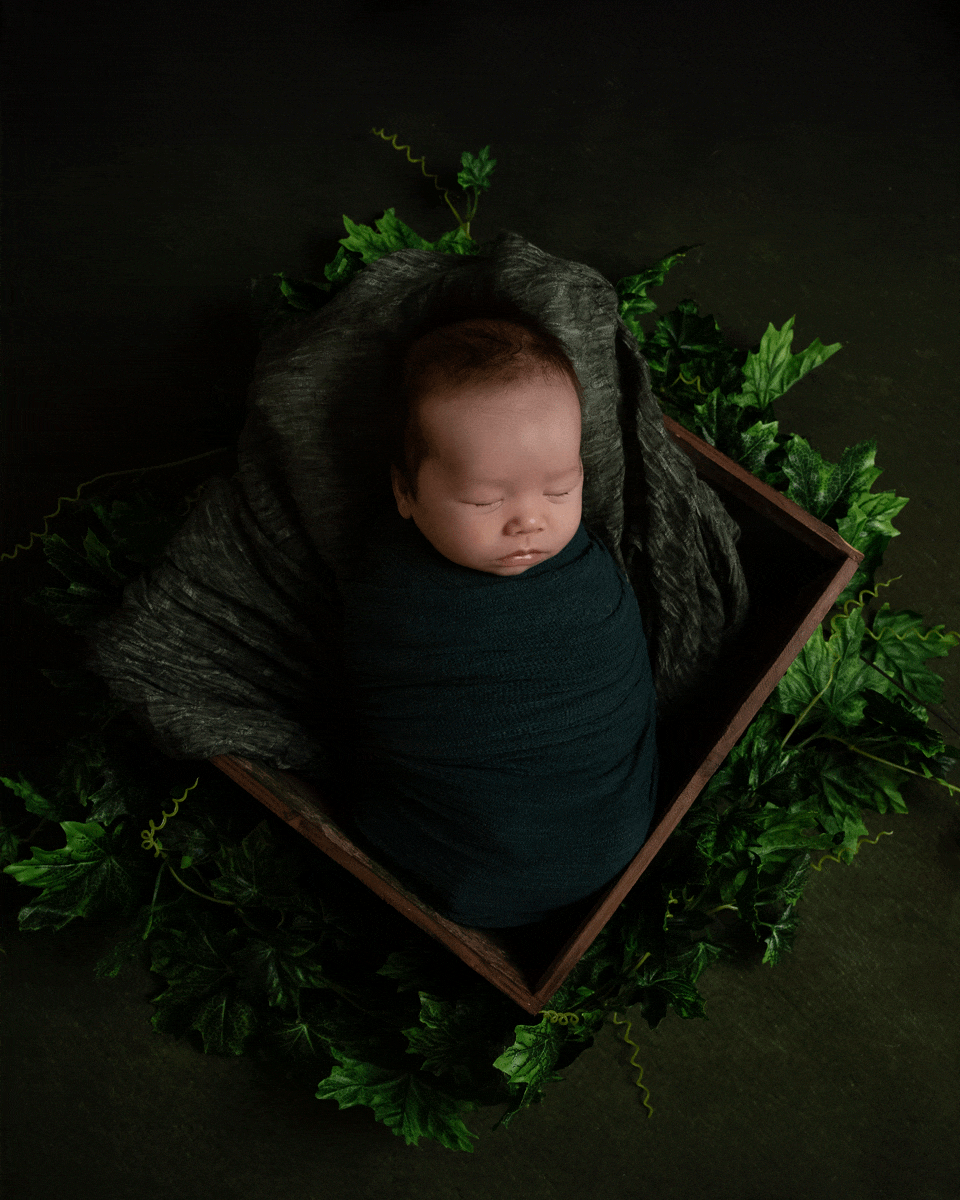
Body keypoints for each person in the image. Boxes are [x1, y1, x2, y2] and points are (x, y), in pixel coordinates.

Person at [336, 312, 660, 931]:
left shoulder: (586, 575)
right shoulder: (390, 590)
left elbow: (624, 671)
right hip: (464, 857)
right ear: (404, 492)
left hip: (606, 839)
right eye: (485, 500)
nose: (530, 522)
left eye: (562, 490)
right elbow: (369, 695)